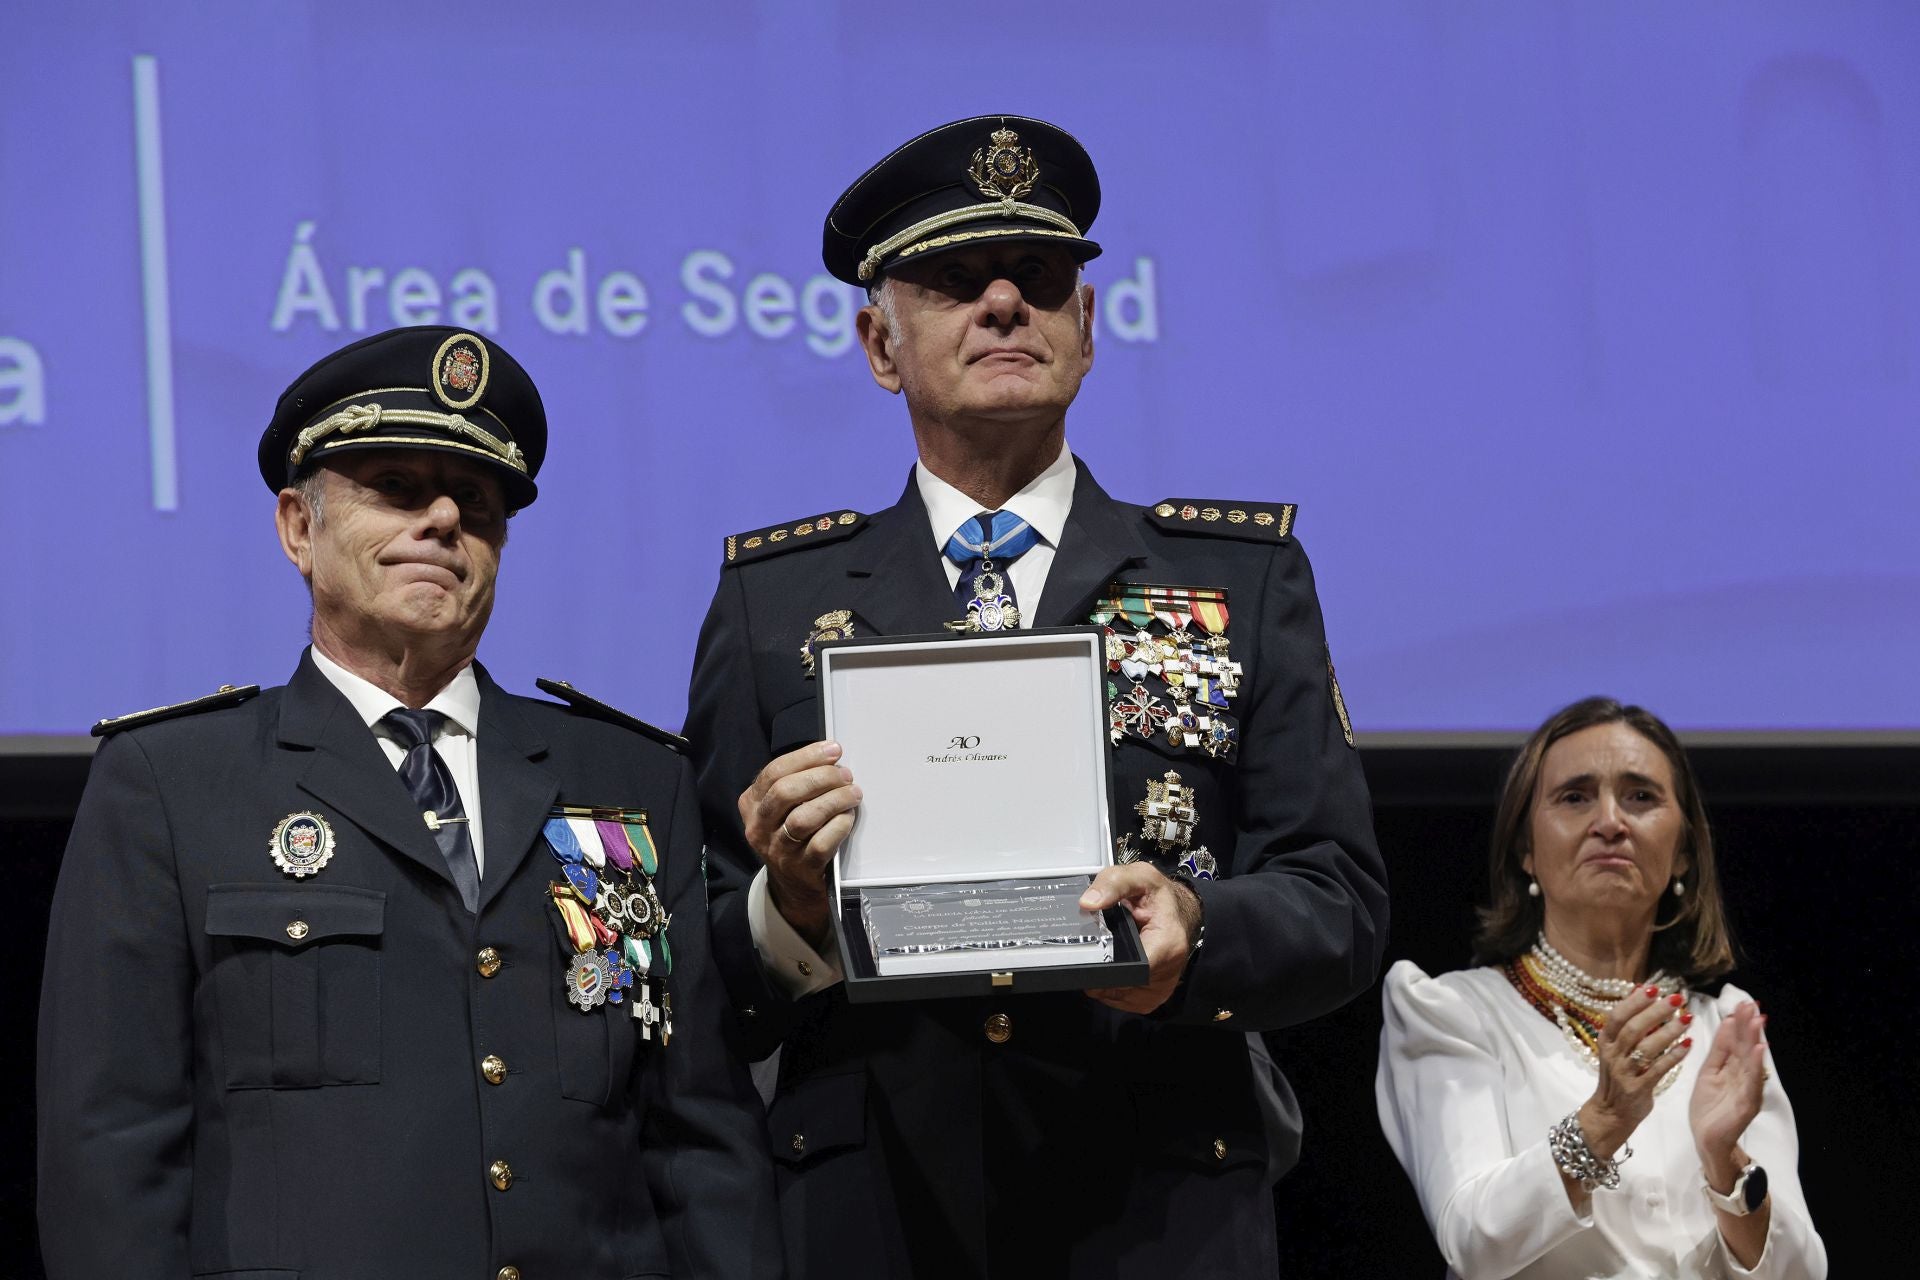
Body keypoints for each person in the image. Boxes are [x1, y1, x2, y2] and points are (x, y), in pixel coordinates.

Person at [686, 115, 1388, 1277]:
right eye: (957, 281)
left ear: (1089, 325)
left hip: (1160, 1200)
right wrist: (789, 906)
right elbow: (698, 955)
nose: (1006, 301)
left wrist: (1195, 930)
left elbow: (1341, 899)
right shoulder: (773, 600)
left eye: (1043, 279)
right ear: (879, 342)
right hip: (874, 1214)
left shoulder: (1240, 579)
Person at [37, 327, 781, 1280]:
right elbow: (113, 1151)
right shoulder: (172, 783)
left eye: (475, 503)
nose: (441, 519)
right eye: (395, 488)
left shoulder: (630, 782)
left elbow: (702, 1140)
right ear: (299, 530)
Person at [1376, 697, 1827, 1279]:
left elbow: (1801, 1273)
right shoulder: (1450, 1012)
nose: (1610, 821)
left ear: (1684, 851)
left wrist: (1726, 1163)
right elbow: (1473, 1238)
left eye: (1641, 796)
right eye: (1575, 796)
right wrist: (1603, 1121)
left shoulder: (1726, 1026)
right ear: (1526, 850)